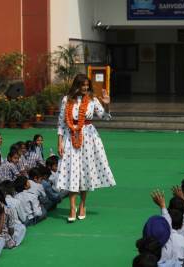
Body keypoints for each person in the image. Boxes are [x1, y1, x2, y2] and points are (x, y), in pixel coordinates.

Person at [56, 73, 116, 222]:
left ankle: (82, 205)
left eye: (87, 85)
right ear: (76, 85)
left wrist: (107, 104)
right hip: (71, 136)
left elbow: (105, 116)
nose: (85, 88)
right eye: (82, 85)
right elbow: (61, 122)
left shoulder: (92, 100)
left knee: (84, 171)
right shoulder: (66, 100)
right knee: (72, 170)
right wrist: (60, 142)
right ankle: (72, 207)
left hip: (88, 137)